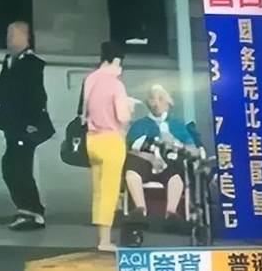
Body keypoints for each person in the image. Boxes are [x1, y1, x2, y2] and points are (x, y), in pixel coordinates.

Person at [0, 21, 52, 231]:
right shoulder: (10, 62)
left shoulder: (32, 64)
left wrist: (33, 123)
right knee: (11, 167)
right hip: (12, 126)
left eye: (12, 35)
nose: (8, 40)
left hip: (25, 127)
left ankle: (33, 211)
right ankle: (26, 209)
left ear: (24, 38)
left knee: (19, 168)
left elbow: (37, 94)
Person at [84, 41, 136, 252]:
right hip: (111, 141)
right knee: (110, 191)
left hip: (91, 140)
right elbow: (122, 117)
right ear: (115, 60)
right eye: (120, 63)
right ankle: (105, 241)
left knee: (98, 192)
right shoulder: (116, 85)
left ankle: (100, 237)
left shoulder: (90, 79)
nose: (120, 68)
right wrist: (129, 108)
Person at [124, 84, 197, 227]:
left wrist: (176, 143)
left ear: (168, 102)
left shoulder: (177, 125)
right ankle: (140, 210)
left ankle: (171, 213)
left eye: (160, 98)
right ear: (148, 102)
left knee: (176, 175)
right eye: (153, 99)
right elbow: (129, 149)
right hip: (144, 161)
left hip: (169, 163)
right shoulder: (139, 125)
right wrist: (150, 158)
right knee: (131, 170)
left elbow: (193, 150)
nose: (156, 103)